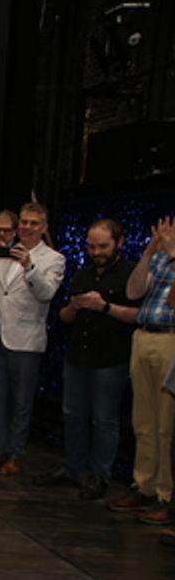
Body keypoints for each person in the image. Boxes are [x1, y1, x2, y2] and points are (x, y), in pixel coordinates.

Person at [33, 220, 140, 500]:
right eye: (92, 246)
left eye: (103, 246)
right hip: (77, 355)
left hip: (111, 358)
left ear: (119, 242)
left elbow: (137, 315)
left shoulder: (131, 274)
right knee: (73, 415)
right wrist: (74, 306)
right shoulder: (82, 274)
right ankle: (72, 468)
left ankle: (99, 475)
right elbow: (64, 317)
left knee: (104, 420)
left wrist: (103, 306)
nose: (96, 252)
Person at [0, 202, 65, 475]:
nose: (27, 227)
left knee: (21, 401)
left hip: (26, 338)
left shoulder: (53, 258)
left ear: (44, 228)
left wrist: (30, 267)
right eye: (24, 222)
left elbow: (46, 293)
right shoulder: (1, 254)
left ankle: (15, 453)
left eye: (33, 223)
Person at [109, 216, 175, 525]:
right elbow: (134, 292)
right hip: (144, 336)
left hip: (170, 340)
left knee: (166, 424)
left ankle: (166, 494)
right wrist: (150, 253)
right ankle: (144, 484)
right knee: (143, 420)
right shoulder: (159, 257)